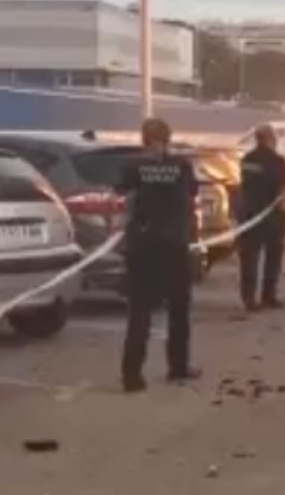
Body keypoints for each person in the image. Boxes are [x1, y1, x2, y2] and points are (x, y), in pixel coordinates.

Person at [118, 117, 200, 393]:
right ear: (168, 138)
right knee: (179, 309)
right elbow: (191, 195)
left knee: (140, 311)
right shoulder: (182, 166)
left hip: (142, 245)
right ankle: (177, 366)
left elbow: (122, 195)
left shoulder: (132, 166)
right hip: (175, 245)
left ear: (143, 139)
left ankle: (132, 376)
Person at [237, 124, 285, 312]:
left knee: (249, 259)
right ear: (270, 139)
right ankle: (269, 296)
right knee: (273, 258)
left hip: (249, 215)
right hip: (272, 216)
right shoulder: (278, 161)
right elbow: (284, 191)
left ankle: (249, 299)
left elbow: (245, 185)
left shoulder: (247, 160)